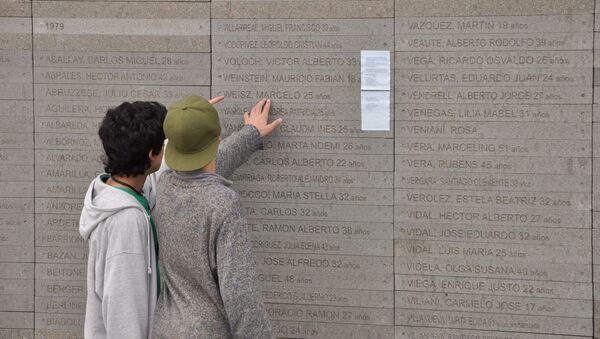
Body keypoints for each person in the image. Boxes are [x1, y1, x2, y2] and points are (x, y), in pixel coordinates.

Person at [79, 96, 278, 338]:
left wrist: (189, 128)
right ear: (152, 154)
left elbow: (198, 176)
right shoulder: (125, 223)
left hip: (166, 329)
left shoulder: (152, 188)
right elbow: (241, 294)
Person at [152, 95, 281, 338]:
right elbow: (240, 292)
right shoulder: (223, 203)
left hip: (165, 328)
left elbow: (204, 170)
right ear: (217, 138)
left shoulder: (165, 185)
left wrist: (250, 134)